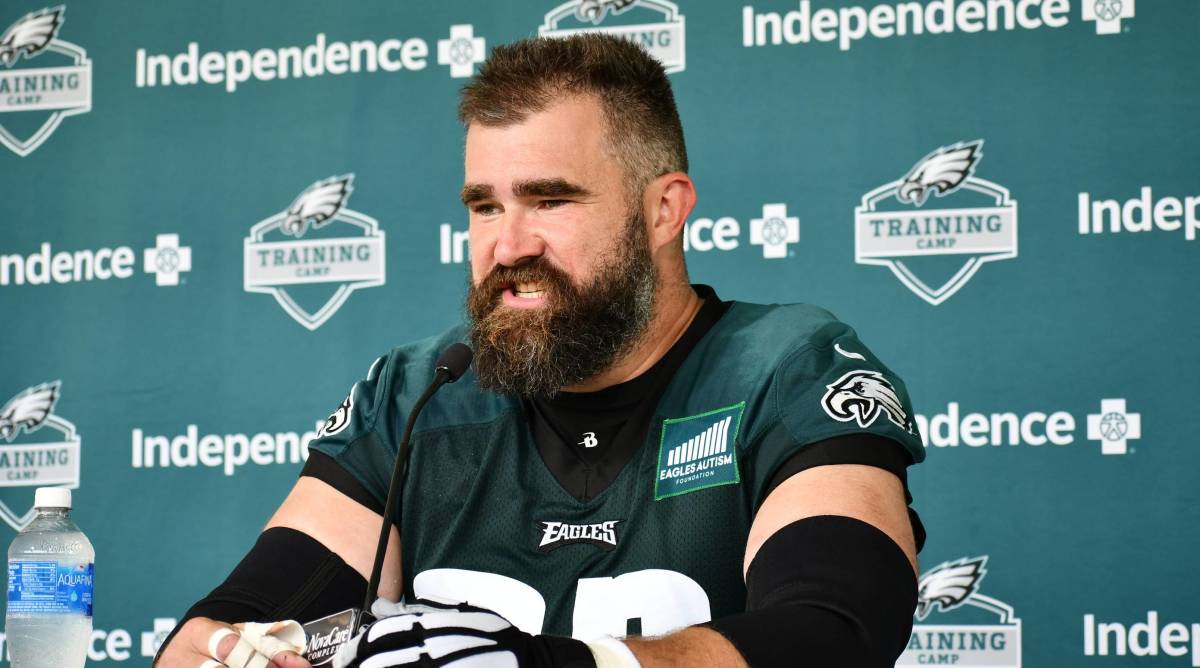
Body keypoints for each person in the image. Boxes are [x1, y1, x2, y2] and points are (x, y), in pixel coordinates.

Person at [156, 33, 926, 668]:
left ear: (664, 210)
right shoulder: (421, 390)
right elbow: (244, 616)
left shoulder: (784, 368)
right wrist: (229, 650)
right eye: (485, 205)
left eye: (551, 200)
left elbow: (836, 630)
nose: (507, 244)